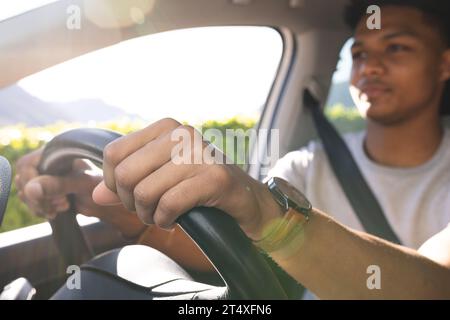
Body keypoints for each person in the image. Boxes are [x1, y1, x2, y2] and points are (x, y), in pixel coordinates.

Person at [15, 0, 450, 299]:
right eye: (358, 54)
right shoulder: (308, 164)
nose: (369, 66)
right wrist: (92, 192)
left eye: (396, 47)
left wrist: (272, 215)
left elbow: (438, 285)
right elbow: (229, 249)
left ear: (444, 64)